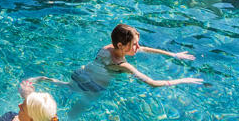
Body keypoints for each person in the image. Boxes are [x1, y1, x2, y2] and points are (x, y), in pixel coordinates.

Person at [46, 24, 202, 93]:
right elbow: (153, 83)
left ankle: (45, 80)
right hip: (91, 87)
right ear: (121, 45)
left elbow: (144, 49)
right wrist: (182, 81)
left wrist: (173, 55)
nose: (138, 47)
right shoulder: (121, 64)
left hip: (80, 74)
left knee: (65, 86)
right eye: (134, 44)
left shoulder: (108, 47)